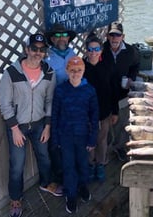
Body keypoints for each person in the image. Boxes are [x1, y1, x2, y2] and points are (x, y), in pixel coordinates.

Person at [0, 33, 63, 217]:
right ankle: (15, 198)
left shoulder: (49, 72)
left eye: (42, 50)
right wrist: (14, 129)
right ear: (26, 50)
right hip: (17, 127)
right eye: (34, 48)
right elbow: (5, 103)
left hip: (39, 124)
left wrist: (48, 126)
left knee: (44, 156)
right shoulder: (11, 72)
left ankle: (46, 183)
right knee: (17, 165)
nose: (37, 52)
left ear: (45, 52)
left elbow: (50, 100)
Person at [51, 56, 99, 214]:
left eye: (79, 70)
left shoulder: (90, 90)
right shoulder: (60, 90)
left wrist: (92, 138)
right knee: (68, 166)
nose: (75, 73)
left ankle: (83, 186)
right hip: (65, 136)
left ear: (83, 71)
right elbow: (55, 115)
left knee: (83, 164)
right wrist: (56, 138)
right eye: (72, 70)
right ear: (67, 71)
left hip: (83, 135)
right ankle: (71, 195)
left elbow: (94, 116)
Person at [102, 21, 140, 162]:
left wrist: (131, 78)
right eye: (112, 35)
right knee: (105, 125)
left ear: (123, 36)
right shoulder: (102, 50)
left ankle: (119, 148)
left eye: (117, 35)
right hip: (106, 95)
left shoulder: (130, 51)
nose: (114, 39)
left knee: (122, 124)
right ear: (107, 36)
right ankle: (105, 150)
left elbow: (136, 64)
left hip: (122, 94)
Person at [44, 23, 76, 185]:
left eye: (64, 35)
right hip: (54, 109)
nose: (61, 38)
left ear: (69, 38)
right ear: (51, 39)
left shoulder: (73, 54)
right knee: (55, 145)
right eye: (57, 36)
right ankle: (60, 177)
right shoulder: (46, 58)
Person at [83, 32, 117, 182]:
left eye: (97, 49)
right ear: (86, 51)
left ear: (101, 51)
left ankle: (100, 164)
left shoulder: (108, 66)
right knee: (89, 140)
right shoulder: (81, 68)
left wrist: (115, 111)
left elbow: (114, 89)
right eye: (90, 49)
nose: (93, 53)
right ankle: (90, 164)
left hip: (104, 111)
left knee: (102, 139)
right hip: (87, 113)